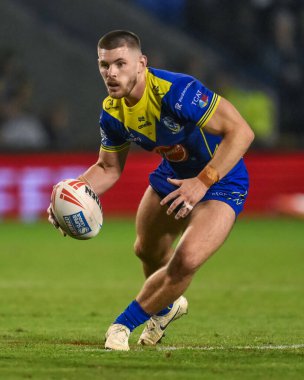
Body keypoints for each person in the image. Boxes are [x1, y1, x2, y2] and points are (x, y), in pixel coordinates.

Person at [48, 30, 254, 351]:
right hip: (172, 177)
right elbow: (108, 168)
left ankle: (123, 324)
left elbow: (241, 132)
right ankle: (167, 306)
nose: (111, 73)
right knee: (146, 250)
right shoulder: (113, 111)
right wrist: (68, 195)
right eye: (104, 65)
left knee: (186, 260)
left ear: (141, 63)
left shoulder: (177, 92)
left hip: (221, 181)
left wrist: (203, 181)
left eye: (120, 64)